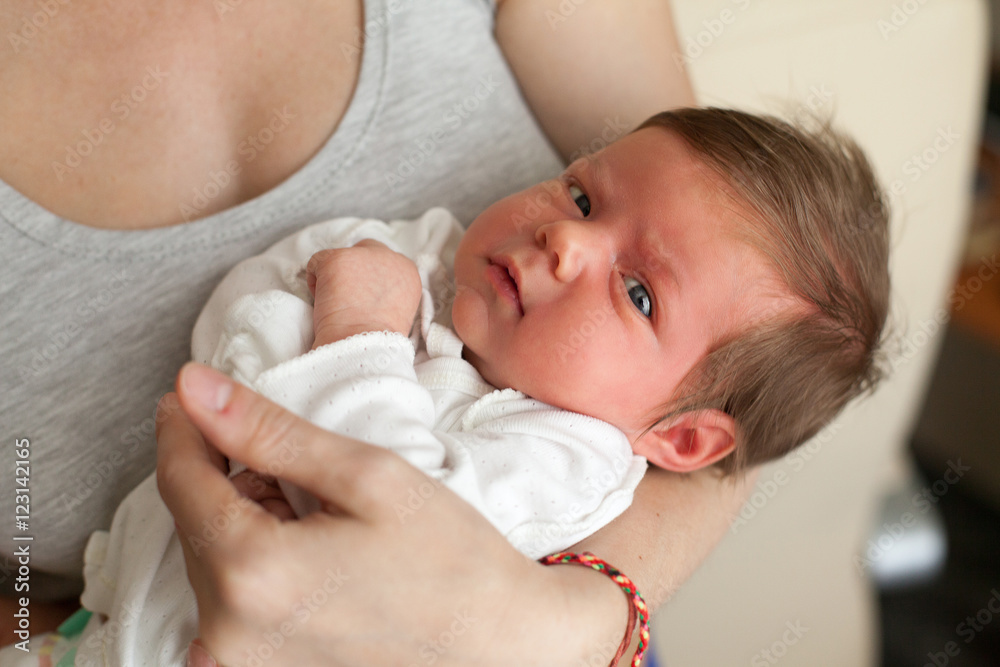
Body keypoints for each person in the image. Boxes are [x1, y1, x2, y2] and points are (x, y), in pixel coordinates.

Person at [0, 0, 817, 664]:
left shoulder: (567, 459)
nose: (567, 240)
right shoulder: (440, 255)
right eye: (579, 197)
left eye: (638, 292)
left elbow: (404, 539)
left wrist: (575, 625)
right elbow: (257, 298)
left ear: (678, 439)